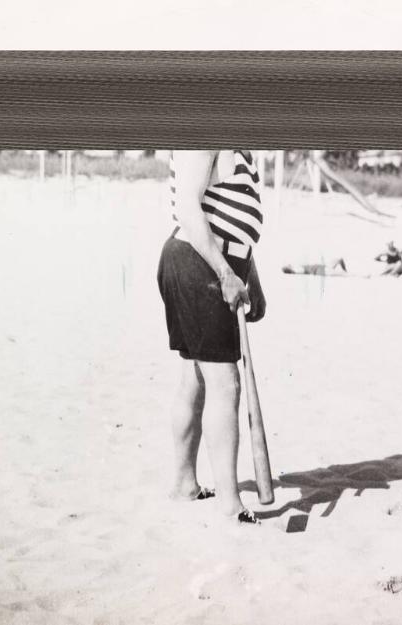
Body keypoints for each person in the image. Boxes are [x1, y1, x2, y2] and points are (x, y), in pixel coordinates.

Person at [157, 150, 266, 525]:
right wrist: (225, 274)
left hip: (211, 264)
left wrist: (250, 278)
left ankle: (185, 484)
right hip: (197, 263)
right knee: (225, 382)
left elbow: (231, 225)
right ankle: (231, 505)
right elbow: (188, 209)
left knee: (196, 378)